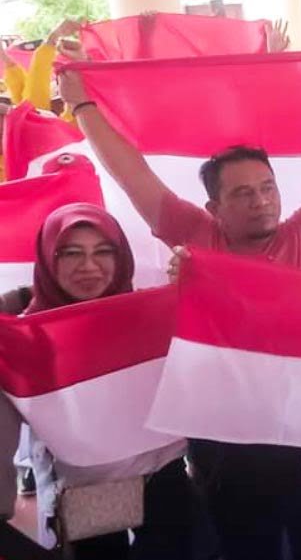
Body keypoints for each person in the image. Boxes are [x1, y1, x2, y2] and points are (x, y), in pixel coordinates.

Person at [57, 58, 301, 560]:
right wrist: (81, 105)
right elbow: (130, 173)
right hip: (225, 445)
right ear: (215, 208)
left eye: (267, 187)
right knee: (245, 548)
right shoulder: (195, 237)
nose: (261, 201)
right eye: (243, 193)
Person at [15, 204, 193, 558]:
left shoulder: (149, 315)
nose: (89, 267)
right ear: (49, 259)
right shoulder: (29, 337)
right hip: (93, 488)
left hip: (162, 474)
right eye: (72, 253)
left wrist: (195, 289)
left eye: (102, 252)